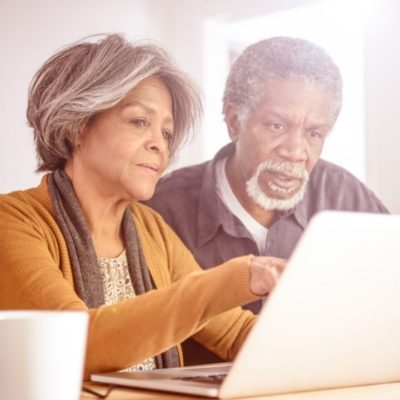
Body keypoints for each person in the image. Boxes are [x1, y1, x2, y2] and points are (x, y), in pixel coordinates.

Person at [0, 34, 287, 379]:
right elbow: (77, 346)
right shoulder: (12, 221)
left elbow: (235, 333)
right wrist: (236, 277)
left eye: (166, 133)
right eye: (139, 122)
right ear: (78, 126)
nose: (160, 146)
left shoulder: (151, 228)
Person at [145, 37, 388, 364]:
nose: (296, 151)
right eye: (277, 125)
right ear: (234, 122)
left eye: (314, 133)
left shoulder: (346, 197)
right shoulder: (161, 208)